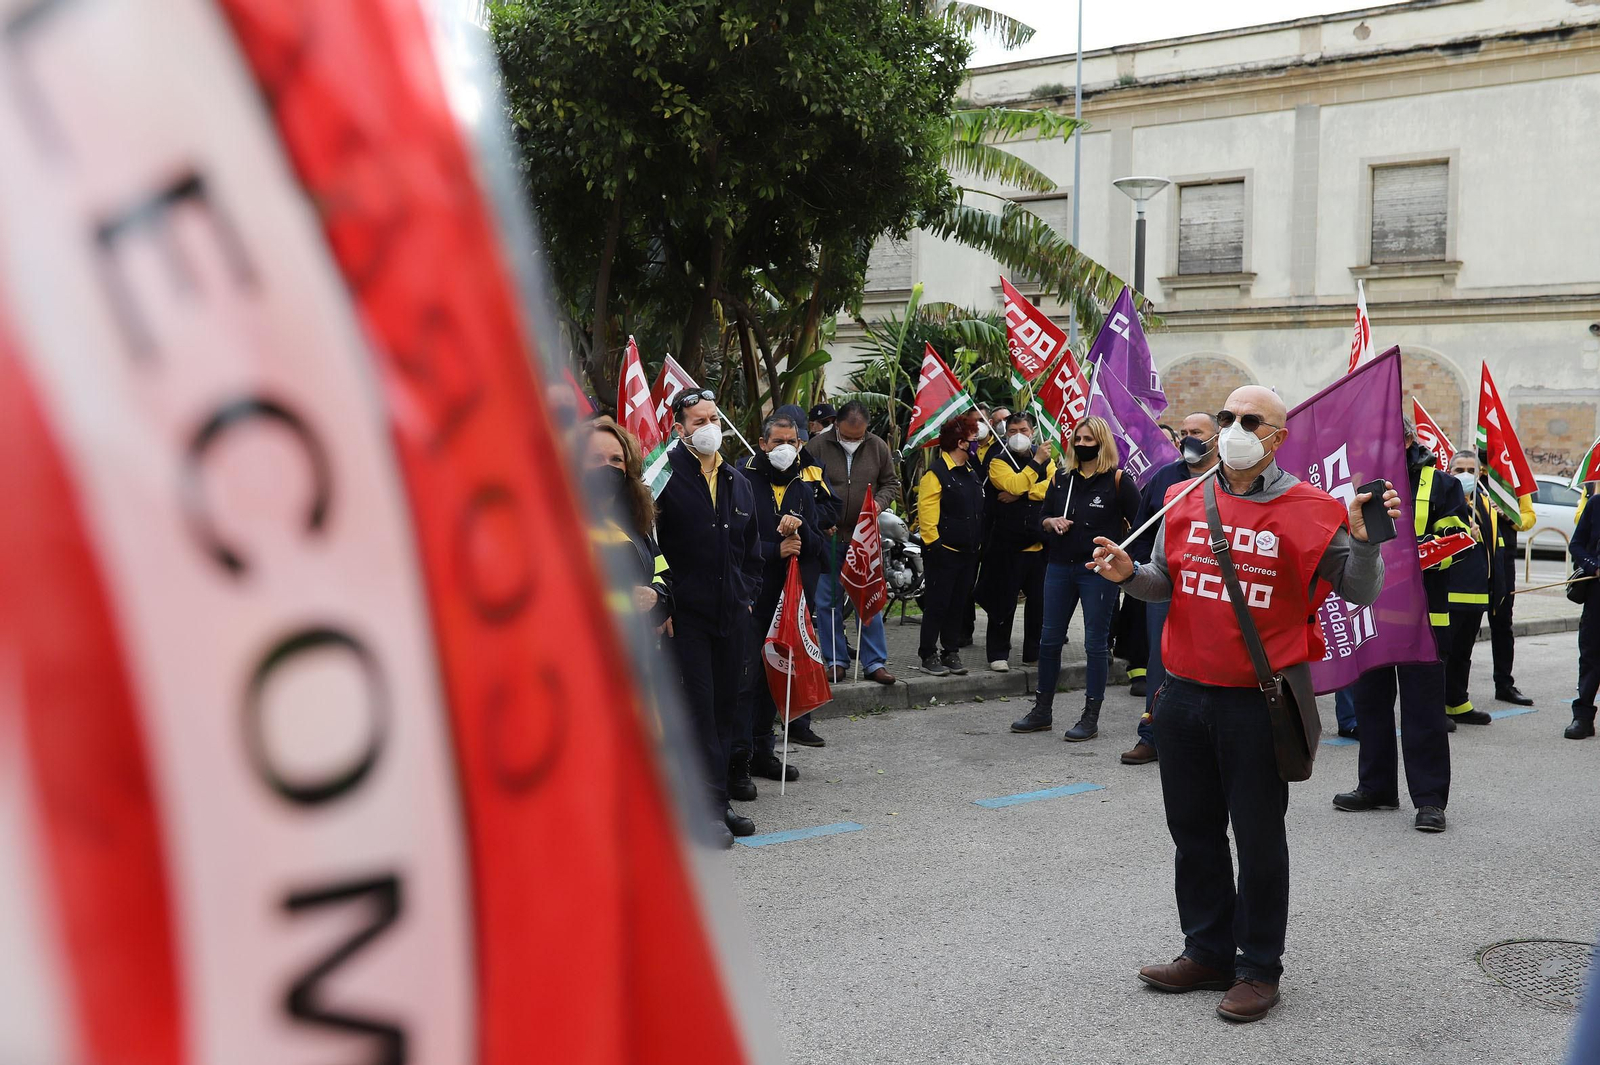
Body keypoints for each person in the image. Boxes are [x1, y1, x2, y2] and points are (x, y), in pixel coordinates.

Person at [1089, 385, 1397, 1024]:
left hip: (1259, 702)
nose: (1230, 428)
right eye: (1225, 416)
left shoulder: (1315, 509)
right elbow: (1161, 584)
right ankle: (1206, 951)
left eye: (1247, 420)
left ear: (1277, 438)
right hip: (1180, 696)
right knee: (1193, 831)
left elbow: (1362, 593)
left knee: (1258, 838)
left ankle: (1258, 967)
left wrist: (1365, 541)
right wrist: (1127, 576)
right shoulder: (1180, 499)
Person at [1335, 418, 1468, 832]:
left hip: (1423, 617)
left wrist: (1410, 561)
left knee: (1423, 710)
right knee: (1371, 703)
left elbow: (1459, 538)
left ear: (1408, 439)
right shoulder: (1361, 484)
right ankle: (1375, 787)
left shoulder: (1443, 484)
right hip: (1373, 612)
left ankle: (1429, 800)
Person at [654, 389, 765, 845]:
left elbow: (752, 552)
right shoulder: (662, 478)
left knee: (725, 709)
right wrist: (664, 603)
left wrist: (747, 596)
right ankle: (702, 808)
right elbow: (648, 545)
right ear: (679, 429)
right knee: (697, 711)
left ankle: (716, 801)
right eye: (699, 420)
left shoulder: (737, 481)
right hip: (686, 619)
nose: (710, 427)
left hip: (731, 616)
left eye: (715, 418)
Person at [1009, 416, 1140, 740]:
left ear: (1101, 442)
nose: (1081, 445)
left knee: (1095, 645)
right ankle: (1042, 711)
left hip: (1097, 572)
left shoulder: (1118, 480)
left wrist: (1122, 561)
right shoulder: (1060, 478)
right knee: (1049, 640)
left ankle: (1090, 716)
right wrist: (1051, 522)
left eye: (1088, 440)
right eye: (1077, 440)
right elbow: (1041, 518)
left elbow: (1139, 526)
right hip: (1058, 566)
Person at [733, 413, 831, 799]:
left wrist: (801, 528)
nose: (785, 449)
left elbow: (818, 547)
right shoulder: (740, 480)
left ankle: (764, 750)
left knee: (775, 678)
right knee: (745, 680)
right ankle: (737, 761)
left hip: (787, 600)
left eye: (793, 441)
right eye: (778, 442)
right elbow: (733, 545)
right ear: (763, 443)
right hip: (750, 598)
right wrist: (777, 549)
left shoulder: (804, 484)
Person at [1117, 411, 1219, 766]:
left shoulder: (1229, 478)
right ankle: (1152, 736)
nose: (1189, 437)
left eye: (1198, 432)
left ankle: (1208, 735)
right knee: (1160, 660)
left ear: (1217, 439)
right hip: (1167, 584)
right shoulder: (1164, 478)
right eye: (1185, 432)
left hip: (1213, 589)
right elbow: (1143, 530)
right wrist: (1147, 568)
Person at [807, 400, 900, 685]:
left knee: (867, 596)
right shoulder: (817, 447)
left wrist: (877, 505)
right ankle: (835, 660)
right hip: (829, 536)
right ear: (836, 424)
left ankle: (874, 662)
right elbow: (804, 485)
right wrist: (821, 517)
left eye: (858, 436)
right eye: (847, 435)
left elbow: (891, 484)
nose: (852, 440)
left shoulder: (877, 447)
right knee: (828, 601)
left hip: (864, 538)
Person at [978, 411, 1053, 672]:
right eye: (1012, 431)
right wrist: (1035, 467)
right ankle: (998, 653)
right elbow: (1010, 482)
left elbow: (1052, 488)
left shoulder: (1048, 458)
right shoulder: (998, 460)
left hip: (1040, 544)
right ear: (1005, 433)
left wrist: (1020, 493)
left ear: (1032, 432)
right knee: (1003, 602)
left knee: (1039, 603)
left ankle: (1033, 652)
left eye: (1023, 430)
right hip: (1007, 545)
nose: (1018, 436)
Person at [583, 417, 672, 632]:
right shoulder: (561, 524)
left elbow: (663, 574)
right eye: (596, 458)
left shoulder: (635, 524)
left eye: (616, 459)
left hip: (637, 651)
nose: (607, 466)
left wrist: (655, 596)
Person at [916, 412, 986, 674]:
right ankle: (928, 654)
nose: (977, 443)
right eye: (973, 438)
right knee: (937, 604)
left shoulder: (970, 470)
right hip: (943, 553)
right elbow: (927, 515)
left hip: (969, 553)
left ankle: (950, 651)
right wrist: (936, 548)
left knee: (958, 604)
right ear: (960, 442)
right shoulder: (936, 473)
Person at [1439, 450, 1497, 726]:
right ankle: (1435, 707)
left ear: (1480, 474)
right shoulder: (1442, 501)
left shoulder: (1487, 505)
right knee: (1443, 653)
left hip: (1477, 592)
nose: (1464, 475)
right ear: (1448, 472)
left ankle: (1457, 701)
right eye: (1458, 469)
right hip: (1449, 591)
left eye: (1470, 470)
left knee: (1464, 652)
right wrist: (1460, 536)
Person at [1567, 481, 1599, 739]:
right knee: (1590, 655)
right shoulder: (1596, 505)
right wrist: (1594, 566)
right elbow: (1576, 545)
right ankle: (1583, 717)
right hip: (1597, 595)